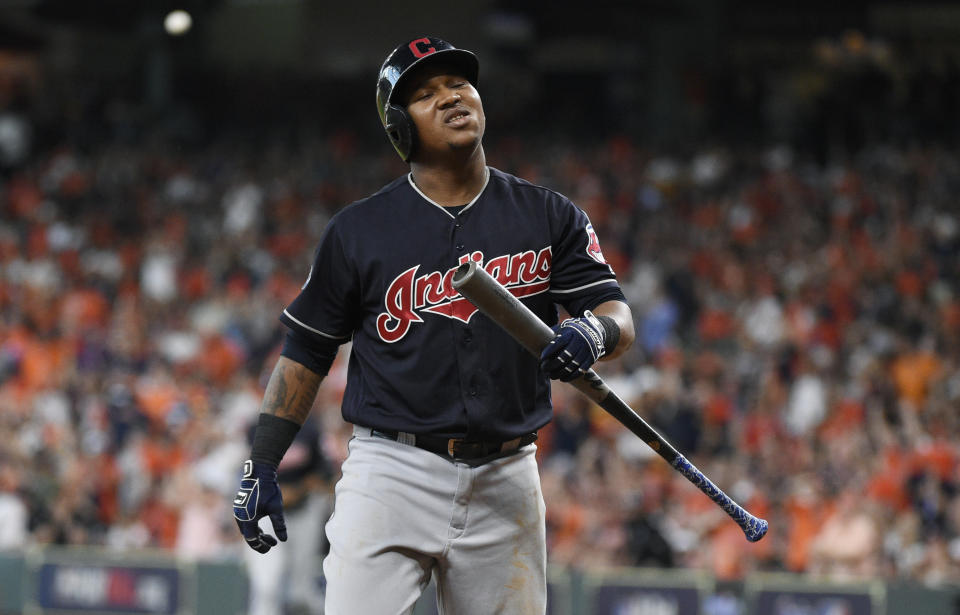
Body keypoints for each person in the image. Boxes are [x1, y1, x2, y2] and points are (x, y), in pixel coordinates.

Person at [232, 36, 635, 614]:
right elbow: (306, 352)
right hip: (392, 471)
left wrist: (594, 333)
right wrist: (262, 461)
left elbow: (616, 313)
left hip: (507, 473)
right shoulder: (358, 230)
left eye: (458, 84)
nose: (451, 97)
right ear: (400, 126)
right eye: (426, 94)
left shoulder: (548, 214)